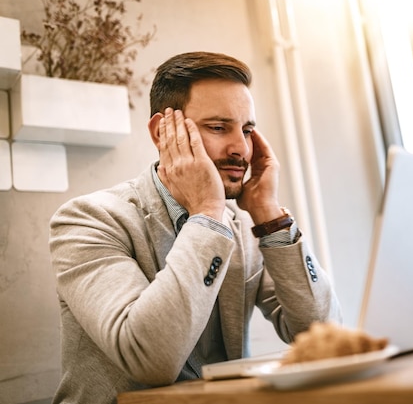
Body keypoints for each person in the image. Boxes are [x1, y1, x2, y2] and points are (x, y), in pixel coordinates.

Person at [49, 51, 342, 403]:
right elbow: (151, 360)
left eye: (247, 130)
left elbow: (323, 334)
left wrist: (269, 216)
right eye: (219, 127)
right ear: (163, 132)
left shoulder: (245, 228)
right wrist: (207, 211)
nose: (241, 149)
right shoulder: (87, 220)